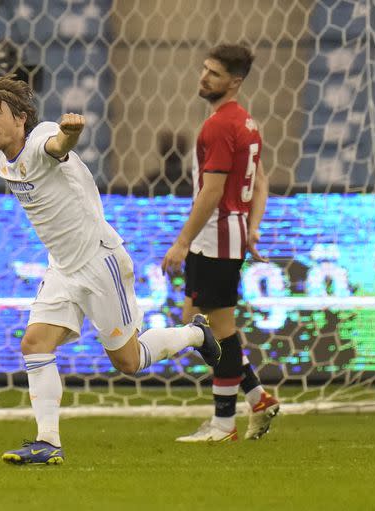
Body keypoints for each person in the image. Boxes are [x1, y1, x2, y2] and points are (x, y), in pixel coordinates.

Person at [0, 75, 221, 465]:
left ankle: (194, 334)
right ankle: (47, 442)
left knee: (129, 362)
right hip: (62, 267)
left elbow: (59, 145)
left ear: (21, 119)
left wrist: (71, 132)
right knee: (34, 343)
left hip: (99, 261)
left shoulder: (41, 138)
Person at [161, 44, 280, 442]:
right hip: (224, 238)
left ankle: (224, 424)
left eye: (214, 73)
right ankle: (257, 396)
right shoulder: (246, 124)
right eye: (204, 69)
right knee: (194, 322)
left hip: (215, 240)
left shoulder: (219, 126)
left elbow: (211, 192)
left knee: (219, 332)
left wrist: (181, 242)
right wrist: (254, 227)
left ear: (235, 82)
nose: (204, 77)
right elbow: (260, 181)